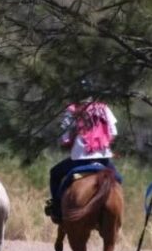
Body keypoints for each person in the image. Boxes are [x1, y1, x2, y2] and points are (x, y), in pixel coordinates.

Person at [45, 80, 118, 224]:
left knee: (55, 173)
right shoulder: (104, 108)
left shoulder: (72, 110)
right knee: (118, 180)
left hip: (80, 159)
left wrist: (70, 142)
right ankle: (117, 215)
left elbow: (64, 139)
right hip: (103, 159)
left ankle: (57, 210)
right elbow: (114, 132)